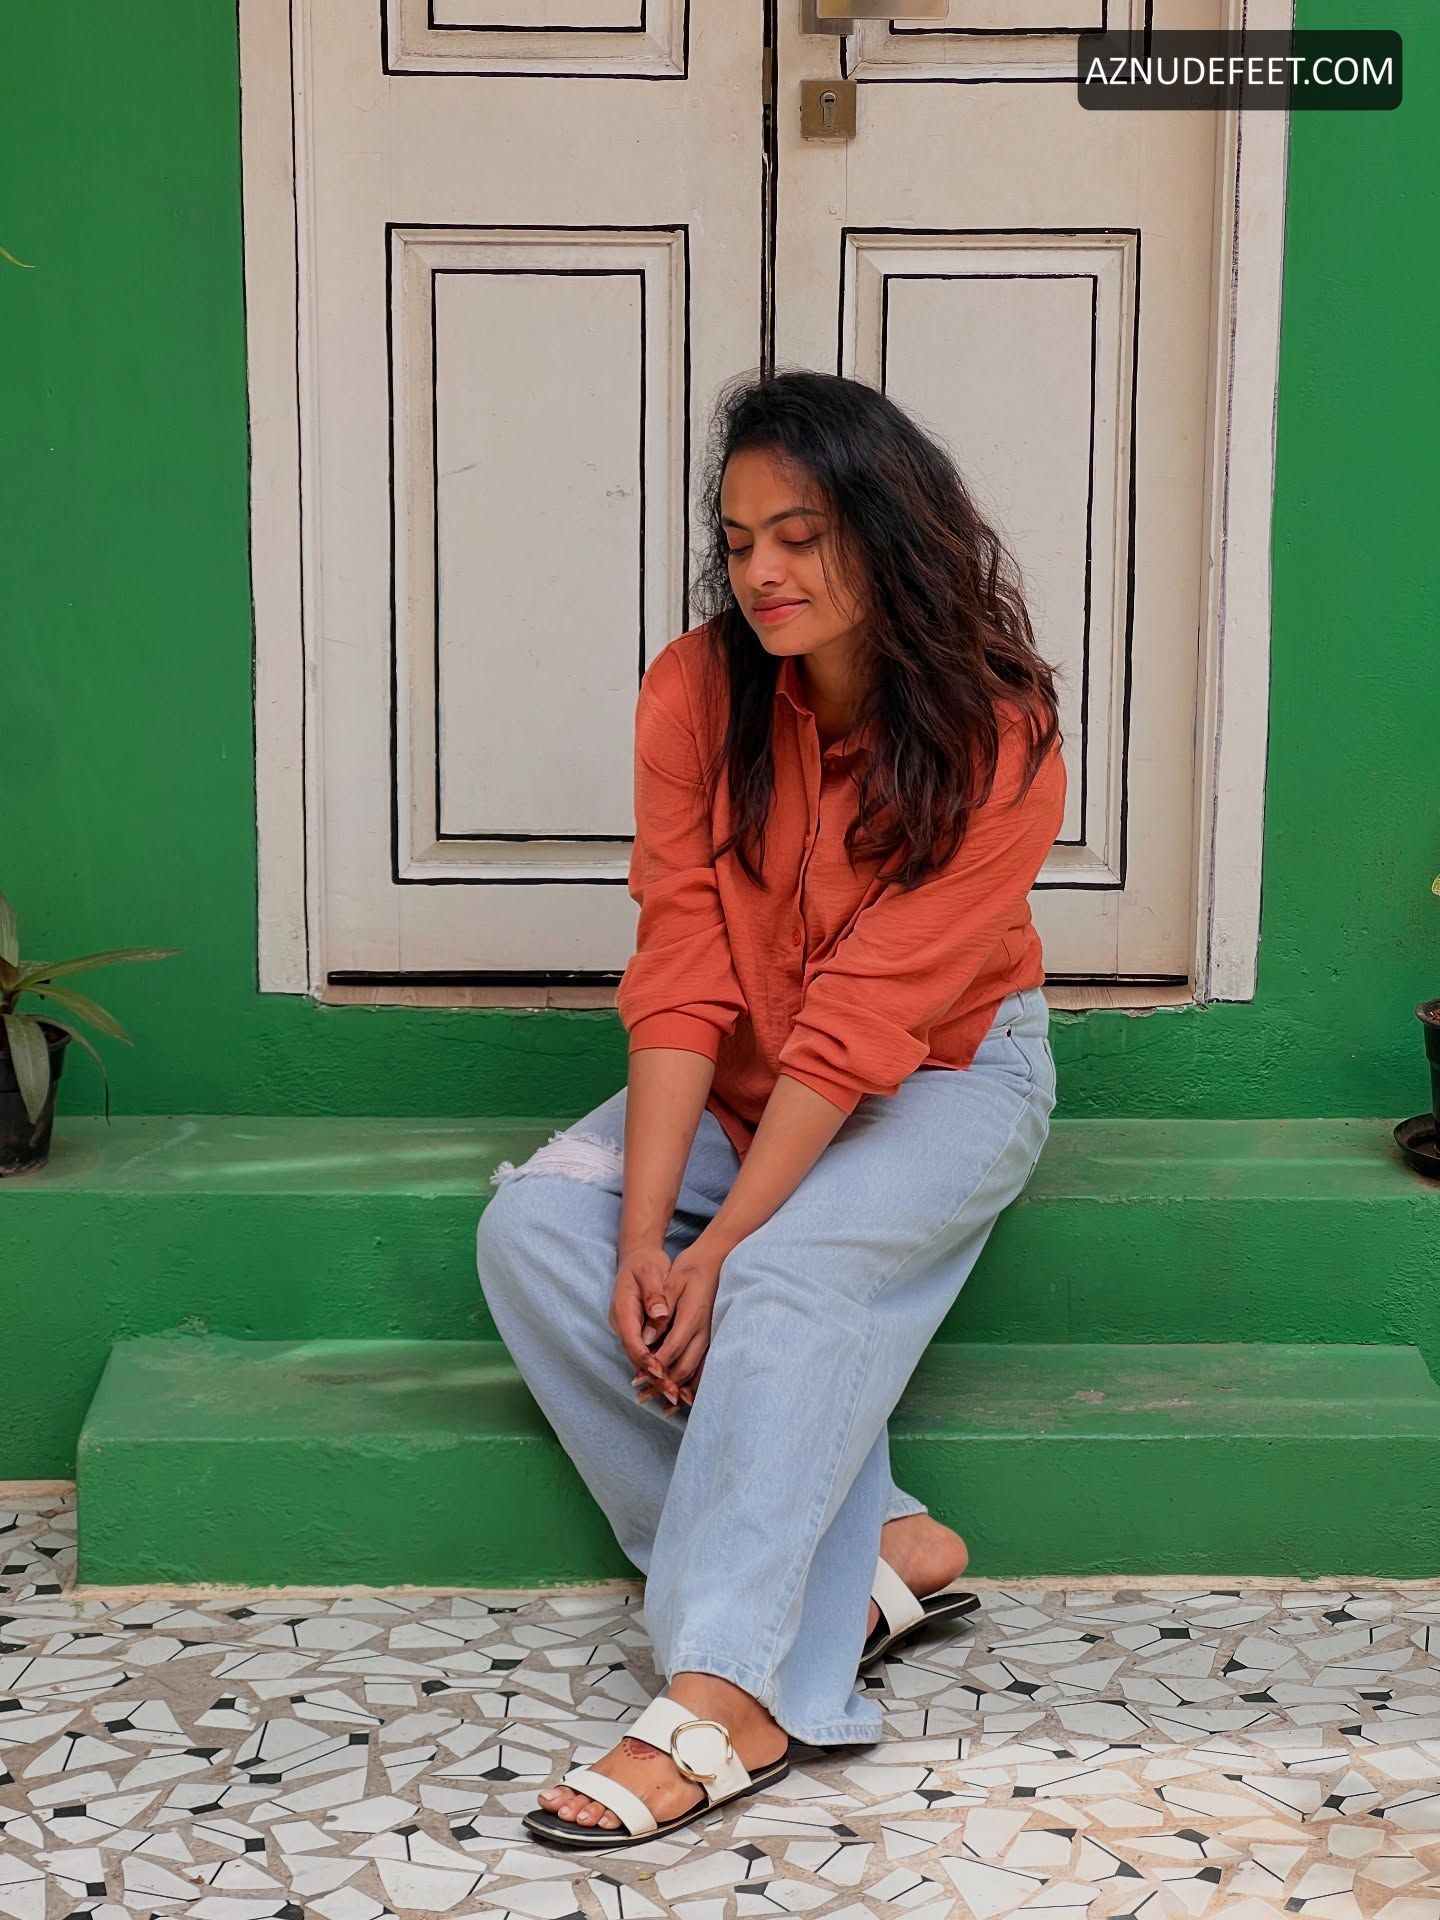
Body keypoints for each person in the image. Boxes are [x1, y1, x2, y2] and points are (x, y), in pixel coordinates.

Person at [476, 367, 1066, 1850]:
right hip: (748, 1076)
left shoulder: (998, 730)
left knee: (785, 1279)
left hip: (945, 1073)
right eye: (739, 542)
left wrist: (725, 1243)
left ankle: (729, 1686)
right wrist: (643, 1238)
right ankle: (870, 1556)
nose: (762, 573)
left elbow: (865, 1022)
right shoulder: (697, 689)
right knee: (532, 1228)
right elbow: (682, 960)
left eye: (801, 536)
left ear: (887, 531)